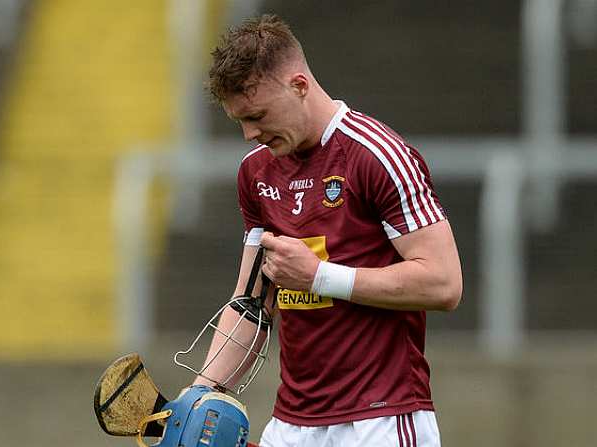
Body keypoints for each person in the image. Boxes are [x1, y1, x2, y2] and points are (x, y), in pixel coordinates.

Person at [191, 14, 463, 447]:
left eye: (257, 116)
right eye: (238, 121)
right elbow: (250, 303)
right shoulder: (256, 172)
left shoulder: (377, 155)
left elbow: (444, 282)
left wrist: (319, 276)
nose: (248, 134)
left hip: (382, 420)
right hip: (292, 425)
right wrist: (201, 395)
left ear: (299, 85)